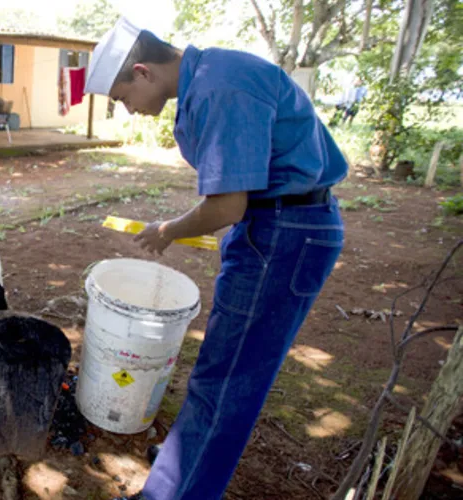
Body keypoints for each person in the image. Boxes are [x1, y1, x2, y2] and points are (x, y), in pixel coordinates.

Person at [84, 18, 346, 499]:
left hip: (285, 234)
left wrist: (168, 231)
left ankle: (174, 492)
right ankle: (183, 469)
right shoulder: (211, 76)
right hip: (275, 226)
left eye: (122, 98)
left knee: (227, 380)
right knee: (219, 369)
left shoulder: (218, 88)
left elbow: (227, 206)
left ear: (142, 72)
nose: (129, 110)